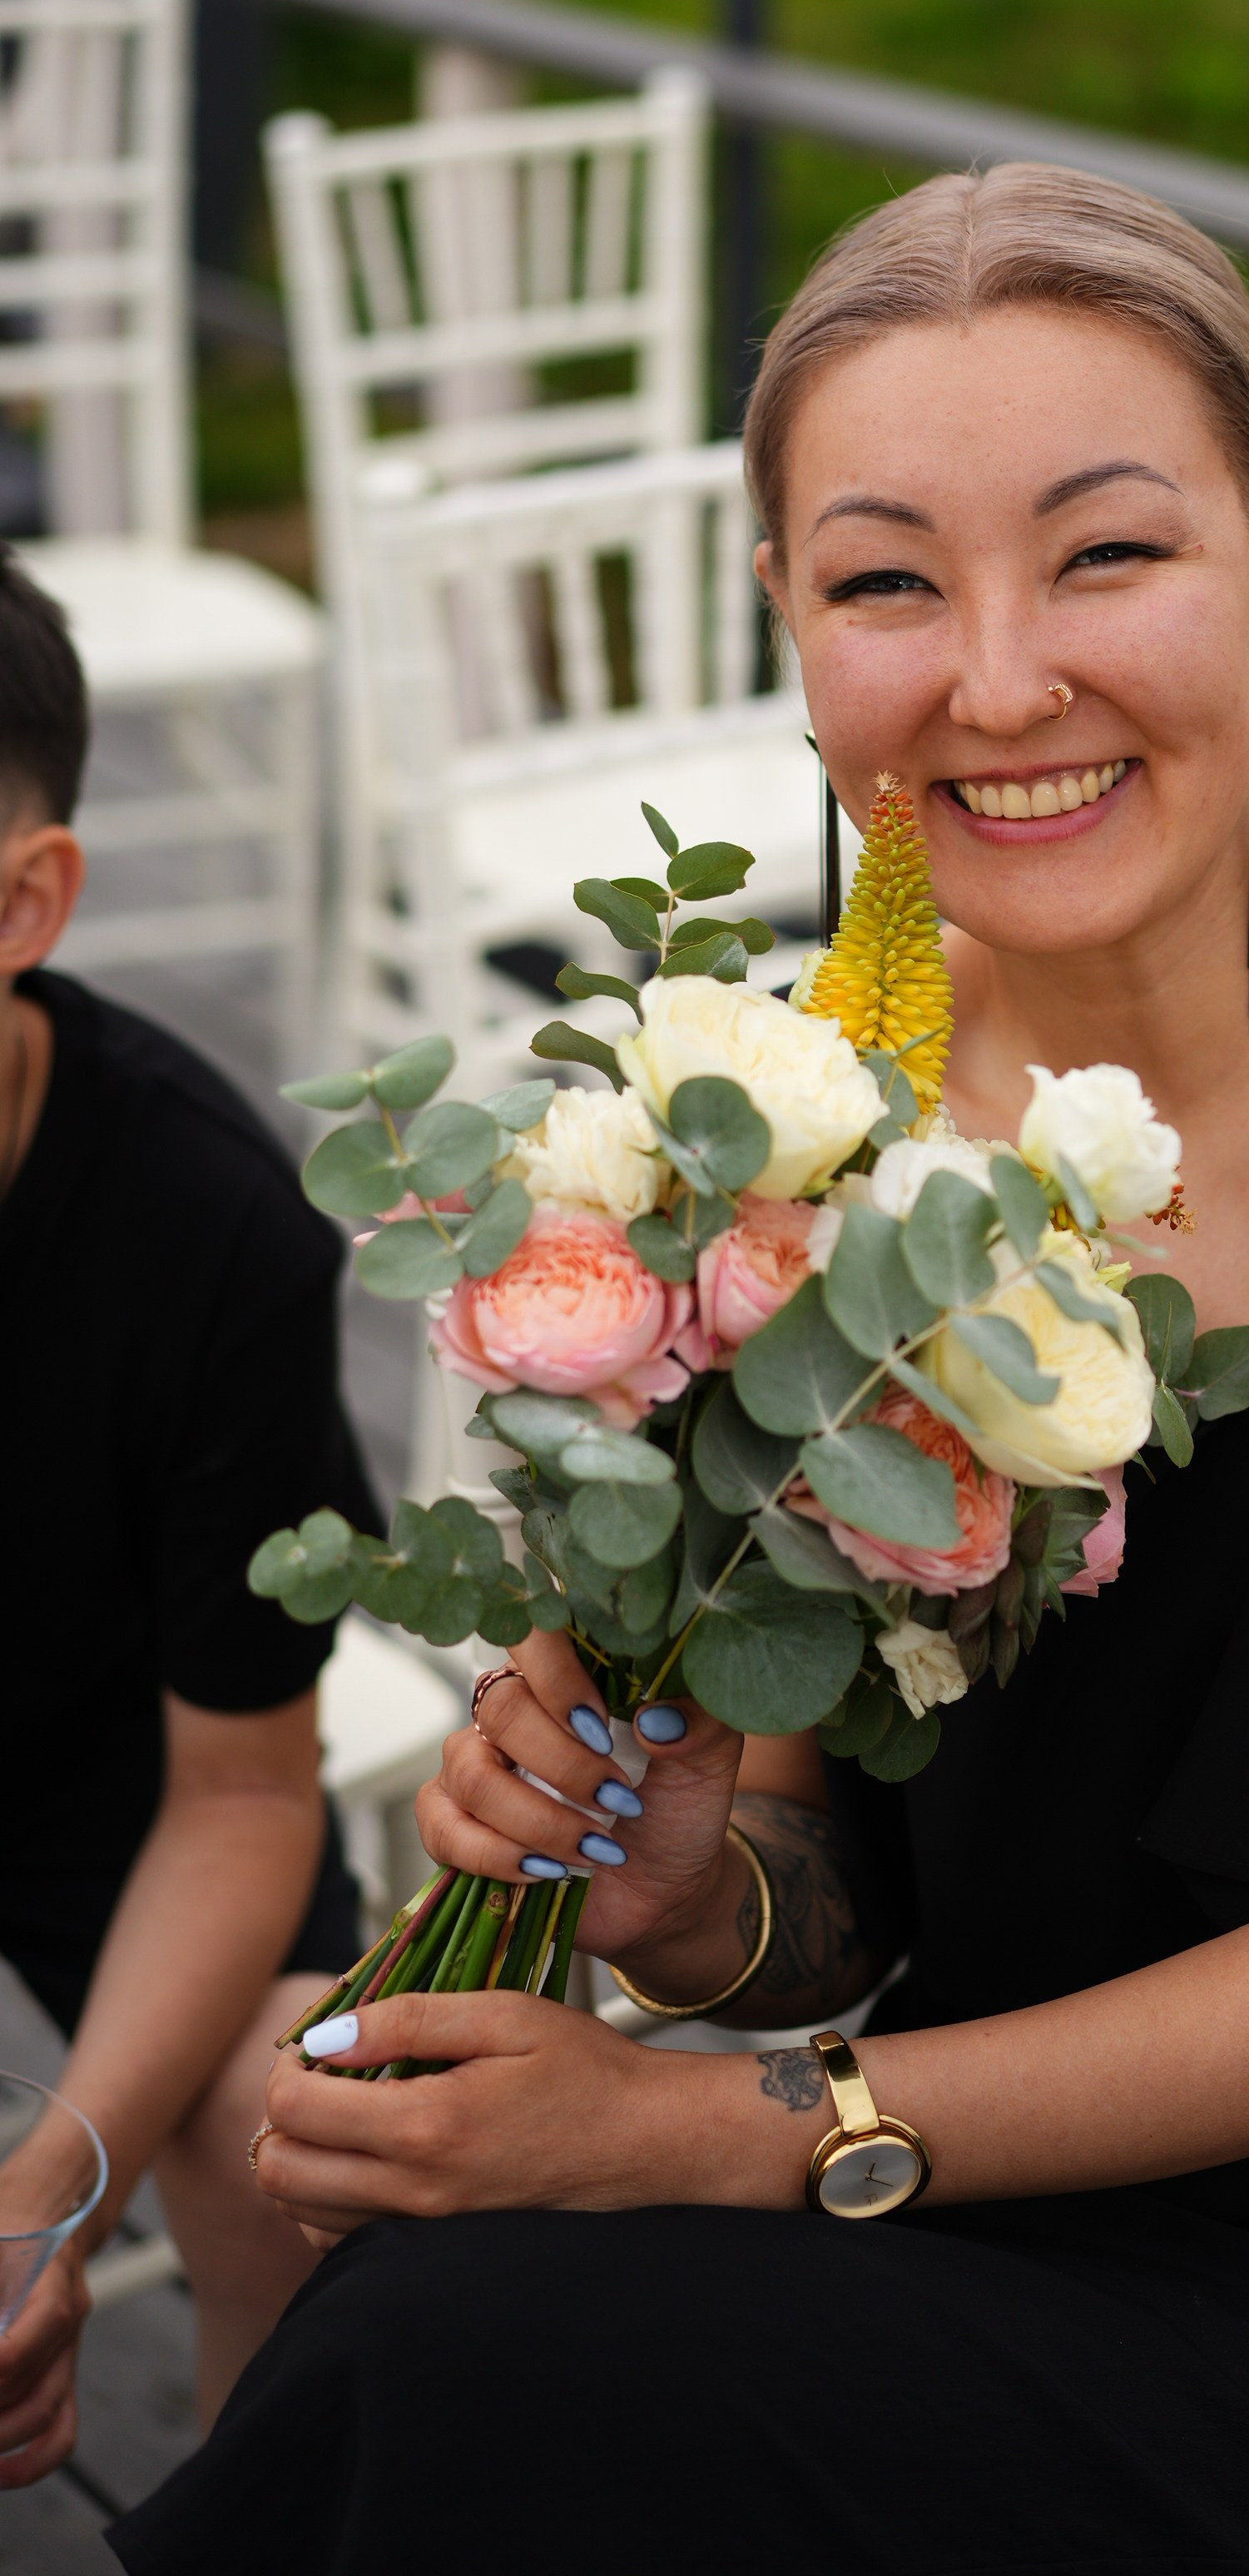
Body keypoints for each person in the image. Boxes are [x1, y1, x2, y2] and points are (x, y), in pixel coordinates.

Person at [111, 167, 1249, 2576]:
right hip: (955, 2177)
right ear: (789, 625)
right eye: (886, 582)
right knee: (446, 2322)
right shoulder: (837, 1090)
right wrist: (676, 1896)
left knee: (461, 2366)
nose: (1001, 680)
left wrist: (695, 2132)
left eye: (1106, 555)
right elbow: (829, 1912)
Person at [0, 548, 381, 2481]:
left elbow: (242, 1789)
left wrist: (48, 2189)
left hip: (118, 1756)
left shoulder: (209, 1231)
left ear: (26, 902)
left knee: (298, 2144)